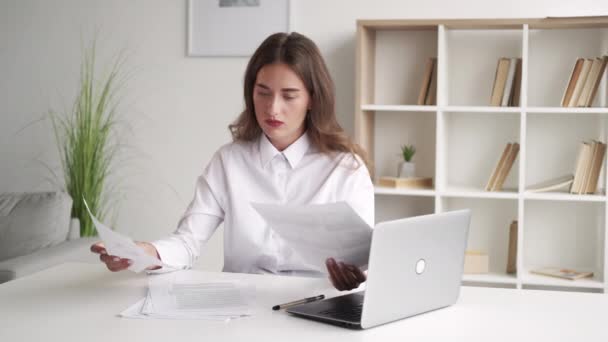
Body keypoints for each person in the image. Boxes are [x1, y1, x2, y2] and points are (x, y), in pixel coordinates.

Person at [91, 32, 374, 291]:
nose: (273, 108)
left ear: (312, 99)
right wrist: (144, 252)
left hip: (318, 307)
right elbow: (187, 241)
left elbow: (366, 264)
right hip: (242, 307)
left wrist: (356, 275)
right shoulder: (230, 162)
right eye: (263, 92)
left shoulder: (345, 170)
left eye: (289, 95)